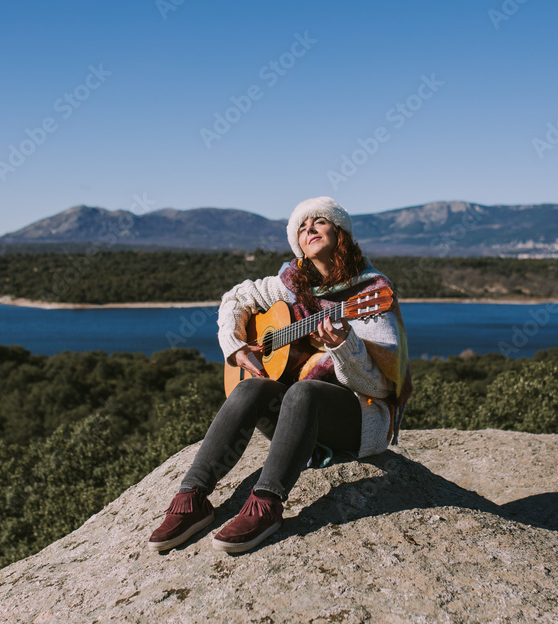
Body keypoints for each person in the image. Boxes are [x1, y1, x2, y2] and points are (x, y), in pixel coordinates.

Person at [147, 196, 413, 554]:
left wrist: (345, 347)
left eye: (319, 222)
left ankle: (267, 504)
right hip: (296, 421)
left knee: (304, 392)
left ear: (341, 233)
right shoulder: (293, 283)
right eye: (302, 228)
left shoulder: (369, 294)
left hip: (355, 420)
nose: (309, 230)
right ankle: (192, 497)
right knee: (250, 389)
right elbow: (236, 298)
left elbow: (381, 387)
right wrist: (236, 344)